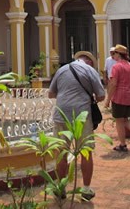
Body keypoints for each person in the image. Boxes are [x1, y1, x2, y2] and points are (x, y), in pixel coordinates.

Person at [48, 51, 105, 201]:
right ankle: (86, 189)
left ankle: (60, 187)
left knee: (61, 151)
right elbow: (101, 95)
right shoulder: (90, 71)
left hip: (61, 114)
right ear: (89, 62)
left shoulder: (61, 70)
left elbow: (51, 94)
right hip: (82, 115)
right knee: (85, 151)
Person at [104, 44, 130, 152]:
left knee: (119, 120)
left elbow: (113, 84)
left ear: (119, 54)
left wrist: (108, 99)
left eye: (114, 53)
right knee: (126, 118)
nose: (113, 56)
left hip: (120, 97)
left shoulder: (117, 67)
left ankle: (122, 144)